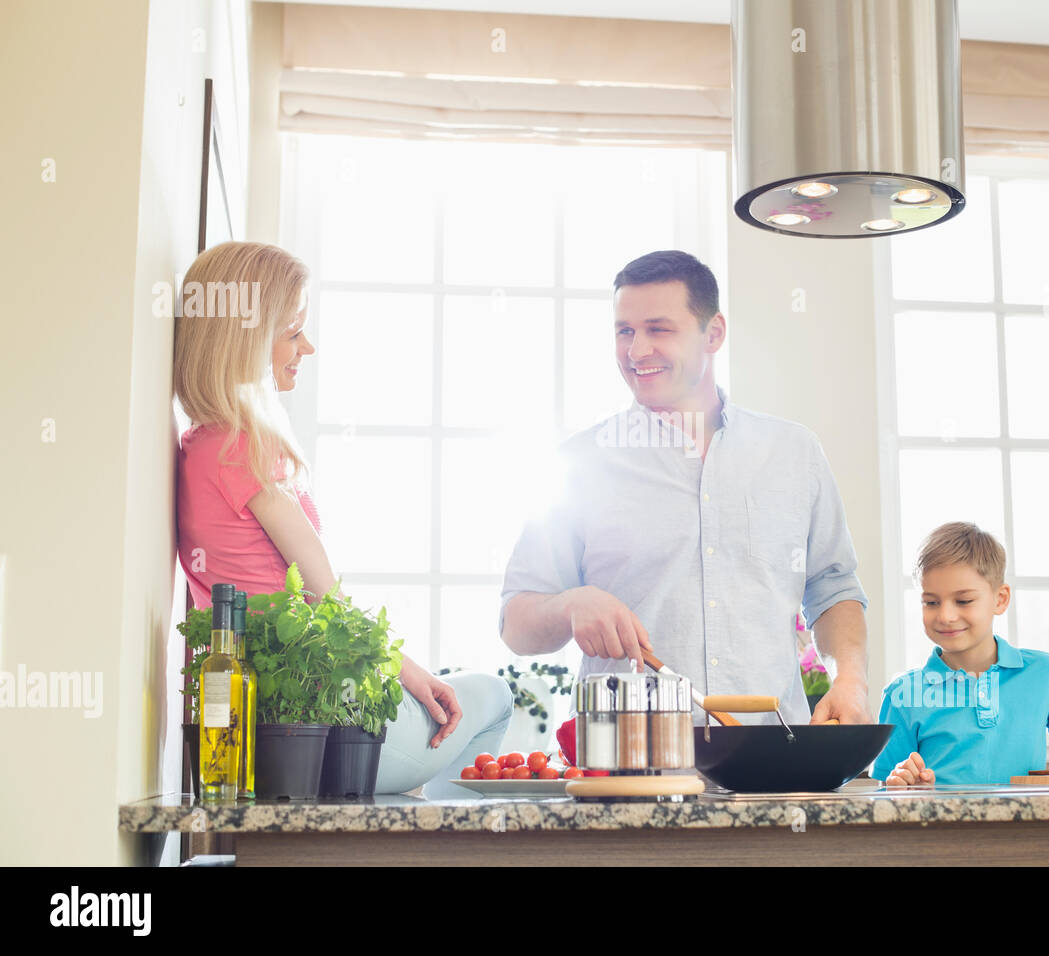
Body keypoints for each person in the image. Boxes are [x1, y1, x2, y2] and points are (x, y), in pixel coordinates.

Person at [173, 241, 511, 797]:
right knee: (492, 697)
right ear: (244, 340)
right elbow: (324, 594)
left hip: (264, 721)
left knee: (416, 778)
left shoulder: (200, 446)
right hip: (329, 715)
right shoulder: (245, 446)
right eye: (292, 331)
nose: (307, 346)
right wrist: (409, 672)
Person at [499, 250, 871, 725]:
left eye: (658, 329)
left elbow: (833, 585)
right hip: (626, 767)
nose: (636, 351)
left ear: (713, 333)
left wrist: (849, 679)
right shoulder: (580, 464)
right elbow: (517, 623)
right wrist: (571, 605)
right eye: (624, 331)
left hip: (771, 762)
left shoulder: (794, 453)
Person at [872, 522, 1049, 786]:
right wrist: (902, 782)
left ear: (1000, 599)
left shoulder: (1044, 673)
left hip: (1028, 827)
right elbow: (885, 788)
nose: (946, 616)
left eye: (963, 601)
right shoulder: (902, 694)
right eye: (931, 602)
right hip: (938, 827)